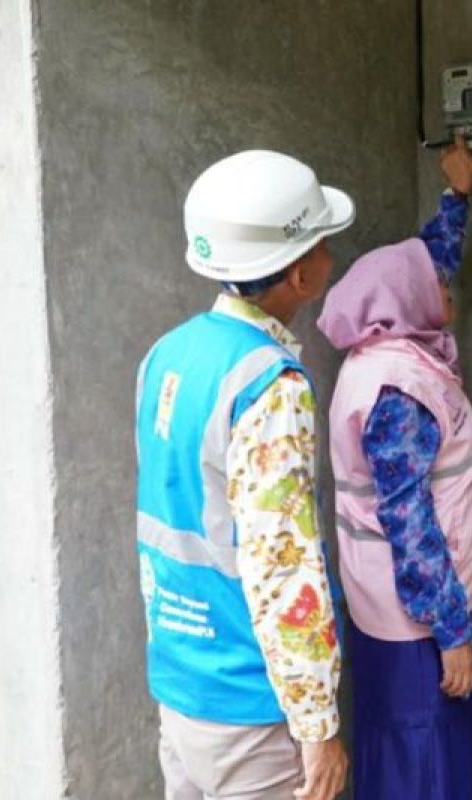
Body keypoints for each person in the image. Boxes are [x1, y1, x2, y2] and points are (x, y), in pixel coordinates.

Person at [136, 151, 353, 799]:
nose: (330, 258)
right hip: (249, 704)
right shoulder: (270, 383)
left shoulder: (166, 355)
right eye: (323, 245)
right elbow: (283, 567)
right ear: (301, 274)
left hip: (180, 681)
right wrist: (317, 725)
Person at [316, 138, 472, 799]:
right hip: (414, 615)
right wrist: (452, 633)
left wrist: (459, 193)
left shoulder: (388, 343)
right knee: (423, 762)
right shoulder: (399, 390)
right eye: (437, 286)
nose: (446, 286)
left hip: (389, 602)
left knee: (401, 744)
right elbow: (410, 525)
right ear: (412, 300)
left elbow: (427, 261)